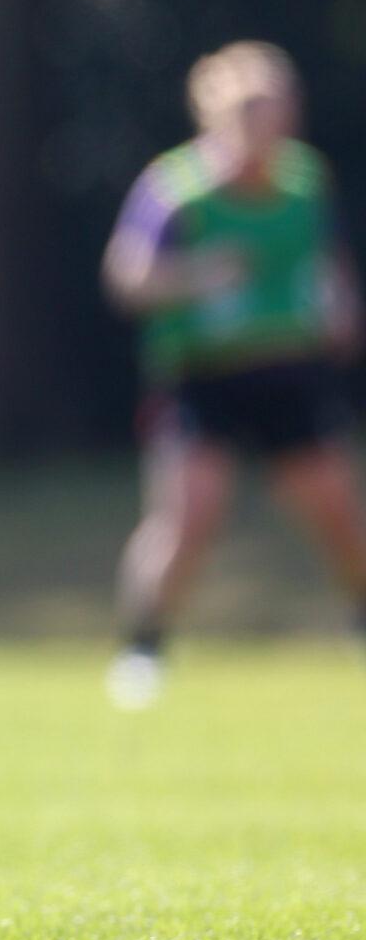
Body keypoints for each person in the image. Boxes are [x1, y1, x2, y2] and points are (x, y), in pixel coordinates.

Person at [101, 42, 366, 709]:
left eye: (277, 104)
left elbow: (326, 261)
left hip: (289, 370)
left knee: (341, 517)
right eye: (250, 107)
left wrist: (342, 307)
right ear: (215, 112)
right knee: (188, 519)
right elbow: (127, 279)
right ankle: (143, 646)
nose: (267, 120)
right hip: (202, 378)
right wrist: (195, 276)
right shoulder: (176, 188)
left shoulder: (306, 181)